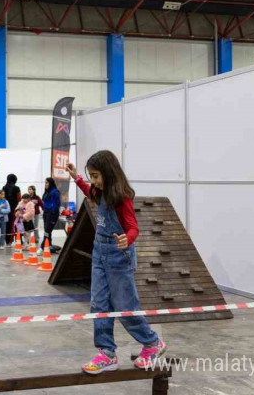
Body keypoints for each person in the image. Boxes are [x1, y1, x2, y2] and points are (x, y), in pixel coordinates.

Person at [68, 152, 165, 373]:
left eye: (95, 176)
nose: (93, 181)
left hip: (119, 256)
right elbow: (88, 192)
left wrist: (126, 239)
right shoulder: (98, 191)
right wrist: (77, 178)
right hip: (99, 253)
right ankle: (107, 353)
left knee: (125, 307)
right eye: (90, 176)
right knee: (99, 304)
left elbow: (133, 227)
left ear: (109, 174)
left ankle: (152, 343)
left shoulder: (122, 198)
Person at [41, 177, 61, 252]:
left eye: (47, 183)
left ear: (50, 183)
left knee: (47, 231)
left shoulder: (55, 192)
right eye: (45, 182)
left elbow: (57, 204)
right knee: (47, 230)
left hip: (52, 214)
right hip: (46, 213)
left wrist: (52, 213)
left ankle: (42, 246)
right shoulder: (46, 192)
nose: (45, 184)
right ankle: (48, 245)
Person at [1, 174, 21, 244]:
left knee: (6, 224)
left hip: (5, 209)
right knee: (15, 225)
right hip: (14, 209)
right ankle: (16, 240)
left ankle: (7, 240)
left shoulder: (4, 188)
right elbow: (19, 200)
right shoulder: (17, 188)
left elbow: (1, 199)